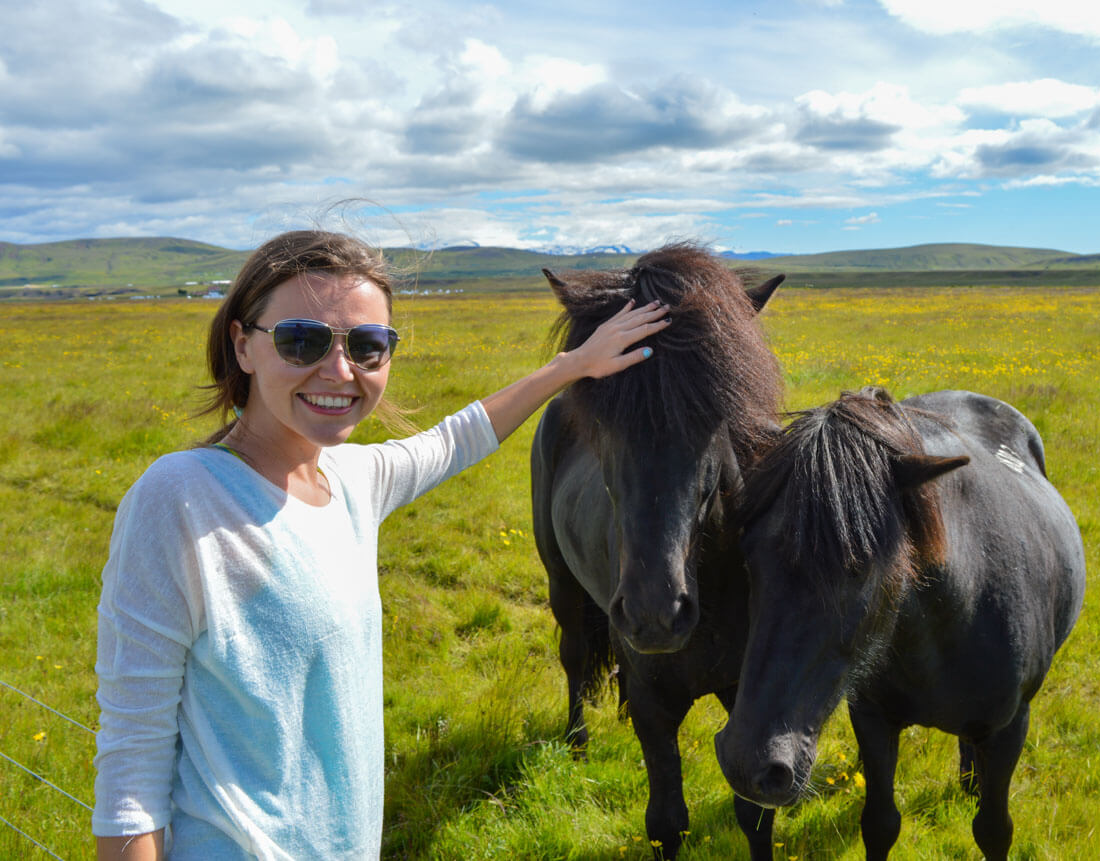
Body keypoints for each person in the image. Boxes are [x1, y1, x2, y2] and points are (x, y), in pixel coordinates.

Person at [91, 230, 670, 860]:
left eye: (368, 346)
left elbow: (456, 439)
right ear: (243, 345)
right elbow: (131, 775)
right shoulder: (180, 498)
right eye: (302, 340)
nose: (339, 371)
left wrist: (573, 365)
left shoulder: (350, 481)